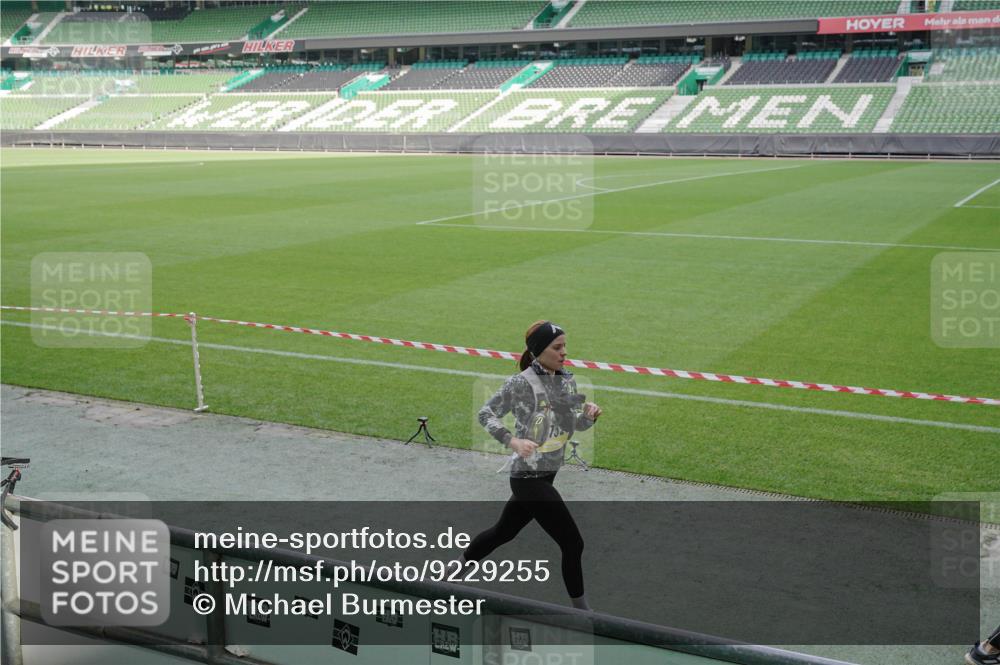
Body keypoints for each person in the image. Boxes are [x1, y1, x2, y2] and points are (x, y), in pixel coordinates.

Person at [462, 320, 602, 611]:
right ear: (539, 351)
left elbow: (569, 424)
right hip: (528, 478)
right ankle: (583, 614)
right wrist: (512, 441)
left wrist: (588, 418)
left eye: (565, 346)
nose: (564, 352)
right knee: (573, 543)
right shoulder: (520, 383)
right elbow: (485, 413)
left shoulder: (566, 380)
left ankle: (448, 576)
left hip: (547, 475)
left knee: (503, 532)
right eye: (557, 347)